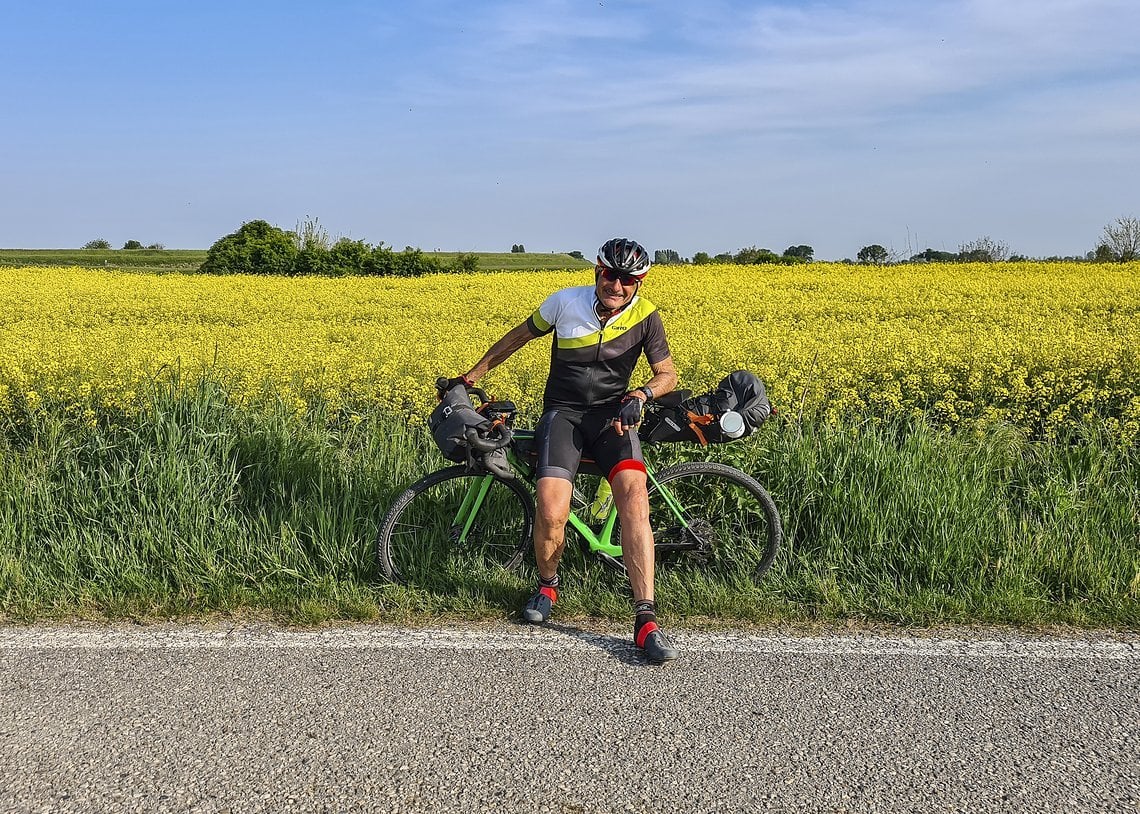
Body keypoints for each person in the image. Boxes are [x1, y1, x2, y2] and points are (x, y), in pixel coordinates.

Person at [451, 238, 680, 663]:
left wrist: (643, 394)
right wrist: (472, 374)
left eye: (628, 279)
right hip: (564, 416)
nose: (617, 285)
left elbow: (667, 373)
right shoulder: (563, 303)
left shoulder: (647, 317)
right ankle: (547, 585)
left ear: (639, 283)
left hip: (614, 420)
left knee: (634, 501)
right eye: (610, 274)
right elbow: (517, 338)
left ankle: (646, 619)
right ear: (597, 270)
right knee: (551, 508)